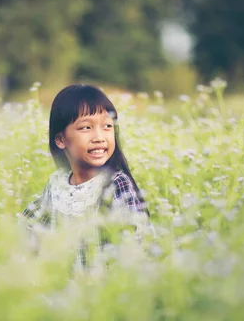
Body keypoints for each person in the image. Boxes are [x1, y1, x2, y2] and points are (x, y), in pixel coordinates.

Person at [22, 84, 153, 266]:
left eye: (107, 126)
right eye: (86, 128)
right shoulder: (57, 187)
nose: (99, 136)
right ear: (60, 139)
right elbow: (28, 228)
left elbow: (135, 244)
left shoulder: (115, 184)